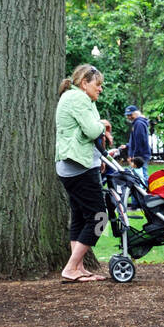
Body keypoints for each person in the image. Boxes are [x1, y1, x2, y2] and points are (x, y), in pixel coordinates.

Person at [54, 64, 111, 282]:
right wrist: (103, 124)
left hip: (75, 166)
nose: (100, 89)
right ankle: (70, 268)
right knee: (100, 217)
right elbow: (91, 129)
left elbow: (83, 132)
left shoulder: (74, 97)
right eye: (98, 85)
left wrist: (98, 158)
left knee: (80, 216)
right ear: (84, 83)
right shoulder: (78, 99)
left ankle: (77, 267)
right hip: (78, 168)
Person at [123, 105, 151, 186]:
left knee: (140, 178)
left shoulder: (138, 124)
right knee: (141, 176)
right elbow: (136, 140)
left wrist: (134, 157)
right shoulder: (137, 123)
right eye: (127, 115)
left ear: (136, 113)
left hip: (140, 156)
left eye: (130, 115)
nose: (129, 117)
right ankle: (145, 195)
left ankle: (144, 196)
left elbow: (140, 142)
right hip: (141, 155)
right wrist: (127, 146)